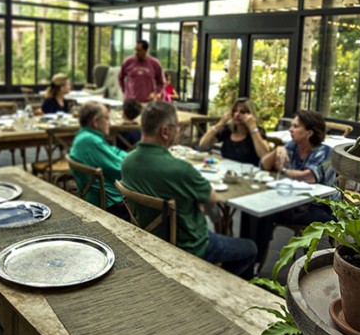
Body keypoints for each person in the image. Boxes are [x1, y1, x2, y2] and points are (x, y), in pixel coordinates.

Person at [121, 101, 257, 278]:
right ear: (165, 131)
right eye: (176, 127)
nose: (178, 131)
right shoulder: (181, 170)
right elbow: (213, 199)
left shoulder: (127, 162)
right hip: (189, 246)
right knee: (251, 248)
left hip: (149, 238)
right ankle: (216, 283)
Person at [251, 109, 339, 267]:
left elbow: (309, 177)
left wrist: (283, 170)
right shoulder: (293, 146)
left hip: (322, 208)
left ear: (309, 132)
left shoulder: (325, 152)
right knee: (261, 211)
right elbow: (263, 165)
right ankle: (253, 263)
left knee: (266, 213)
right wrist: (277, 150)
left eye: (295, 126)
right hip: (295, 203)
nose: (290, 129)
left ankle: (255, 263)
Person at [69, 102, 131, 221]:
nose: (110, 123)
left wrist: (130, 156)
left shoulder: (84, 135)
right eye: (107, 118)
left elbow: (112, 151)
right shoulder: (91, 142)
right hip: (112, 205)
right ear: (96, 121)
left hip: (97, 197)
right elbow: (120, 170)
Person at [198, 98, 270, 166]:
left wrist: (253, 128)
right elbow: (203, 144)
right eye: (235, 111)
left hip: (248, 172)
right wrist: (220, 124)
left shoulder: (257, 131)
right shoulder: (228, 130)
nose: (237, 114)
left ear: (250, 115)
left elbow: (264, 155)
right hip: (227, 170)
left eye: (242, 112)